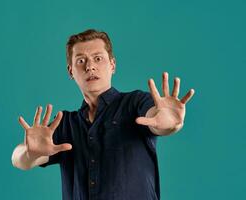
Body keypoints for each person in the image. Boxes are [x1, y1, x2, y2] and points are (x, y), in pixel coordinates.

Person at [11, 29, 195, 200]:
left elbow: (157, 120)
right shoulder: (65, 124)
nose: (90, 67)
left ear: (112, 64)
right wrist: (29, 152)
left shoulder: (135, 102)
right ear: (70, 71)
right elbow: (20, 160)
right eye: (81, 61)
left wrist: (169, 122)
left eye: (98, 58)